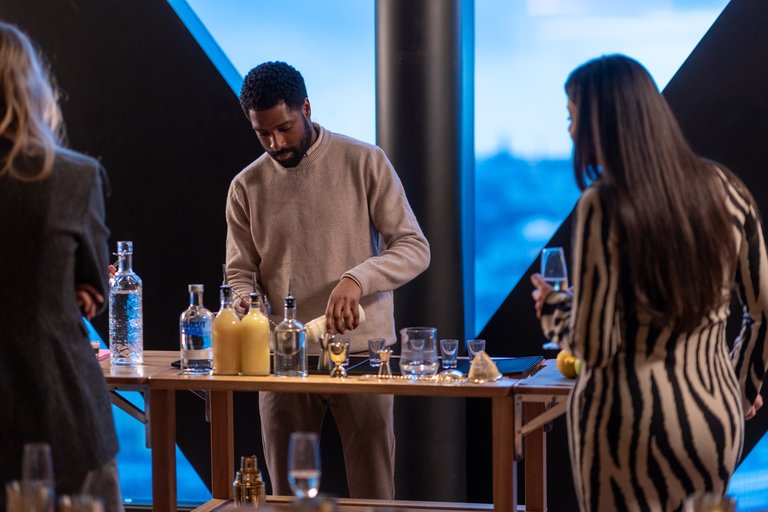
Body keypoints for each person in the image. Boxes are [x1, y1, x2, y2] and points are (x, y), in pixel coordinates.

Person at [530, 54, 768, 511]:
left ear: (604, 122)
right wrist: (737, 389)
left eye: (573, 117)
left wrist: (554, 309)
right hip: (713, 420)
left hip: (625, 425)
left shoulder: (604, 203)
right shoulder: (726, 188)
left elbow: (595, 344)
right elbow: (764, 312)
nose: (571, 131)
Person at [225, 61, 430, 498]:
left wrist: (357, 279)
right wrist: (245, 299)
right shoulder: (245, 186)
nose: (276, 143)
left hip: (363, 355)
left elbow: (414, 247)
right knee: (284, 495)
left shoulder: (365, 161)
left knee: (373, 494)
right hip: (283, 358)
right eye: (263, 134)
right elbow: (240, 272)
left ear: (307, 107)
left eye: (284, 128)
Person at [0, 22, 122, 510]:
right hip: (60, 406)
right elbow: (94, 282)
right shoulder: (72, 176)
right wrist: (77, 289)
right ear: (32, 88)